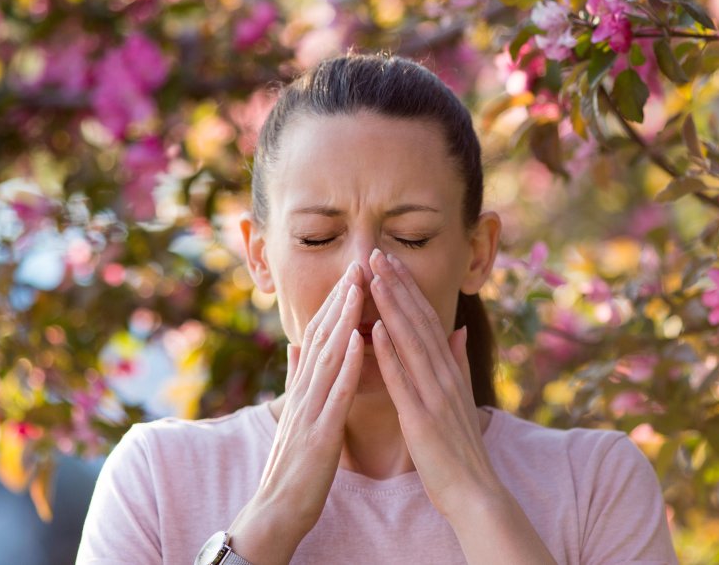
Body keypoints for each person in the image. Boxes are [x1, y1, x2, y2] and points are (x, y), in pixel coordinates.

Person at [76, 53, 678, 564]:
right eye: (317, 237)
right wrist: (273, 515)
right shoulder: (158, 478)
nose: (362, 273)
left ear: (477, 253)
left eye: (410, 237)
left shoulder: (594, 483)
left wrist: (474, 497)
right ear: (259, 256)